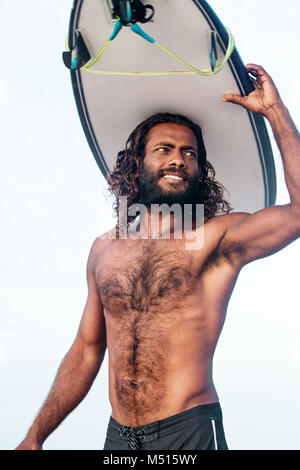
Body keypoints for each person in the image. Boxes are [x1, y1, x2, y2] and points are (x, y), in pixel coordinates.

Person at [16, 64, 300, 450]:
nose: (178, 159)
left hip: (189, 432)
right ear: (138, 164)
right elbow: (86, 349)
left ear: (199, 170)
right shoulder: (104, 249)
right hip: (119, 438)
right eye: (164, 149)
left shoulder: (215, 238)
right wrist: (34, 438)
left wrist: (274, 112)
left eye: (189, 153)